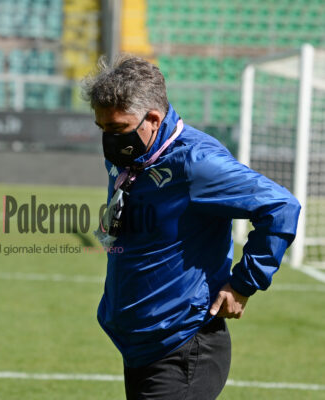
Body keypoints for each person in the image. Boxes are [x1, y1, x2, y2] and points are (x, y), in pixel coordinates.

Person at [81, 55, 301, 399]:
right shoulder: (131, 154)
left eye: (117, 129)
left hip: (182, 345)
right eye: (102, 128)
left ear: (153, 119)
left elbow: (281, 206)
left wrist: (244, 283)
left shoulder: (197, 163)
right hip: (140, 343)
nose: (108, 139)